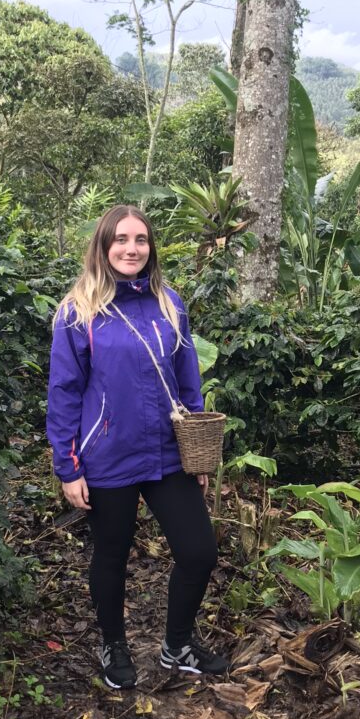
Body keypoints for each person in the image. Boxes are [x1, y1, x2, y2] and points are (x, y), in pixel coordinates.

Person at [46, 204, 228, 689]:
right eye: (121, 239)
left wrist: (197, 451)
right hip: (107, 455)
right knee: (112, 555)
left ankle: (177, 643)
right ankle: (114, 643)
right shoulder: (78, 310)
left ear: (151, 247)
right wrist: (68, 466)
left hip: (167, 453)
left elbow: (188, 382)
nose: (132, 248)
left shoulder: (170, 303)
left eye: (141, 240)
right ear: (104, 246)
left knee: (199, 552)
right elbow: (64, 391)